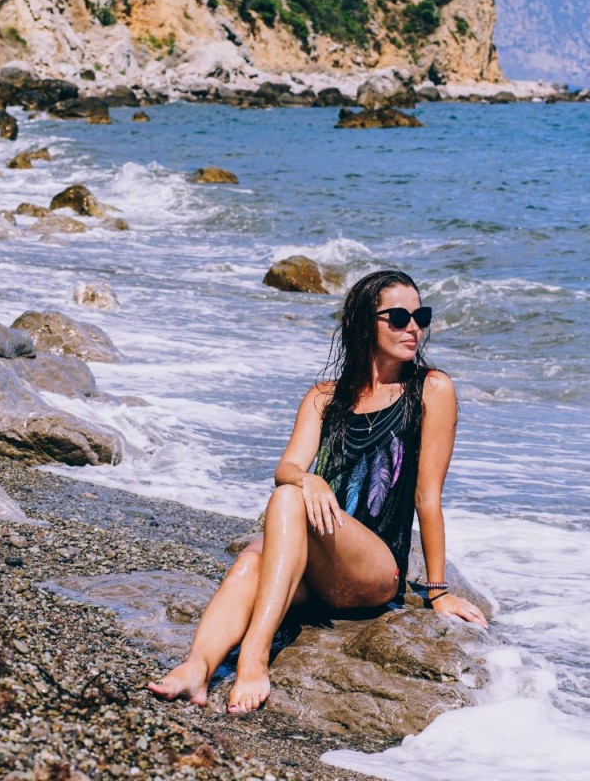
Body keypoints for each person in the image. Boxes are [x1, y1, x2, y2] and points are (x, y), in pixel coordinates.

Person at [149, 268, 488, 715]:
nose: (414, 328)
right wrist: (308, 478)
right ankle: (197, 668)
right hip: (318, 569)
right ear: (366, 322)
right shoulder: (323, 398)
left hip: (375, 569)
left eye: (420, 316)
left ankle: (254, 654)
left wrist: (438, 590)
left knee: (286, 501)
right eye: (400, 317)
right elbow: (287, 467)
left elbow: (428, 496)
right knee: (253, 561)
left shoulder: (431, 389)